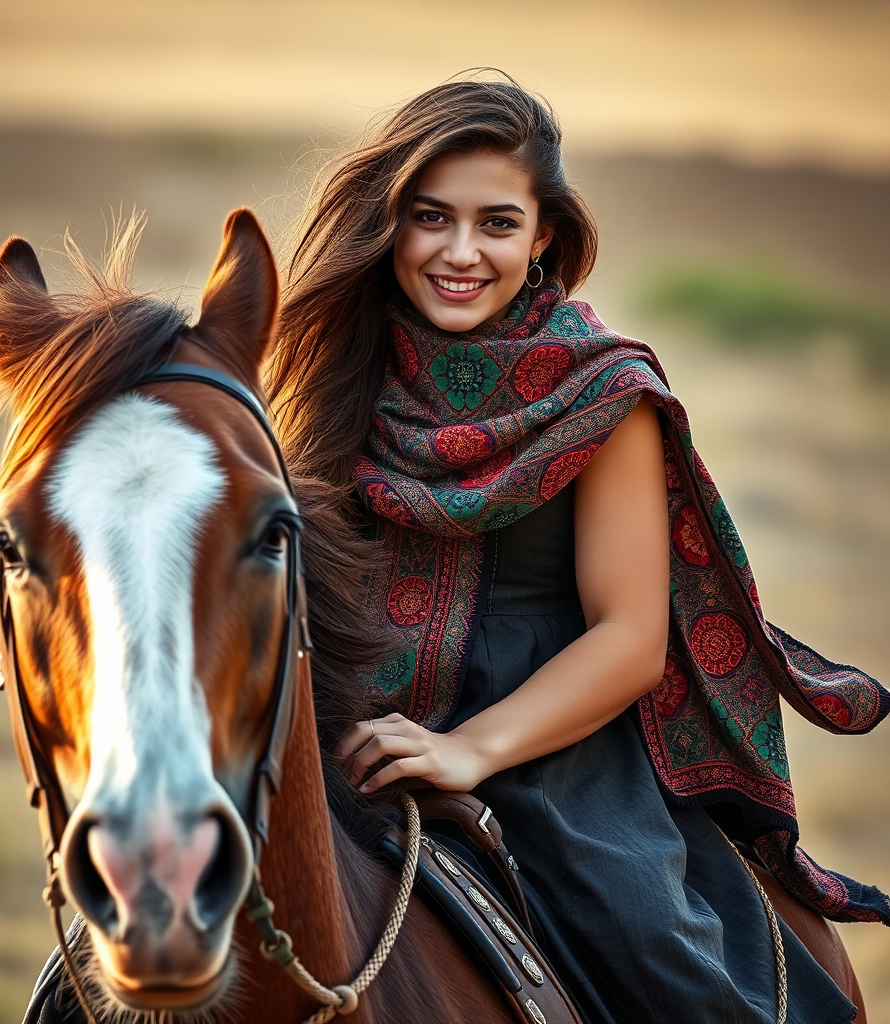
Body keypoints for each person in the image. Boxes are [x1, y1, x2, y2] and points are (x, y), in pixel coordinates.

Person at [266, 76, 890, 1023]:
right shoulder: (330, 367)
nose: (461, 252)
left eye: (498, 223)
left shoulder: (606, 391)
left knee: (651, 949)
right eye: (431, 218)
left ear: (544, 234)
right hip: (351, 705)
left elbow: (631, 636)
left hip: (552, 744)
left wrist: (468, 750)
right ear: (389, 222)